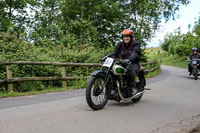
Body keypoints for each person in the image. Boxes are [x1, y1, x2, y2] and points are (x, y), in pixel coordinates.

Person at [111, 29, 141, 95]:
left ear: (131, 37)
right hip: (122, 63)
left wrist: (129, 59)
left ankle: (133, 88)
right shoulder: (120, 44)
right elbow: (114, 53)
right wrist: (108, 57)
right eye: (124, 37)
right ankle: (114, 88)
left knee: (129, 68)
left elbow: (135, 53)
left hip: (134, 63)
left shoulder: (135, 44)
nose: (125, 38)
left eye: (127, 36)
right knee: (112, 69)